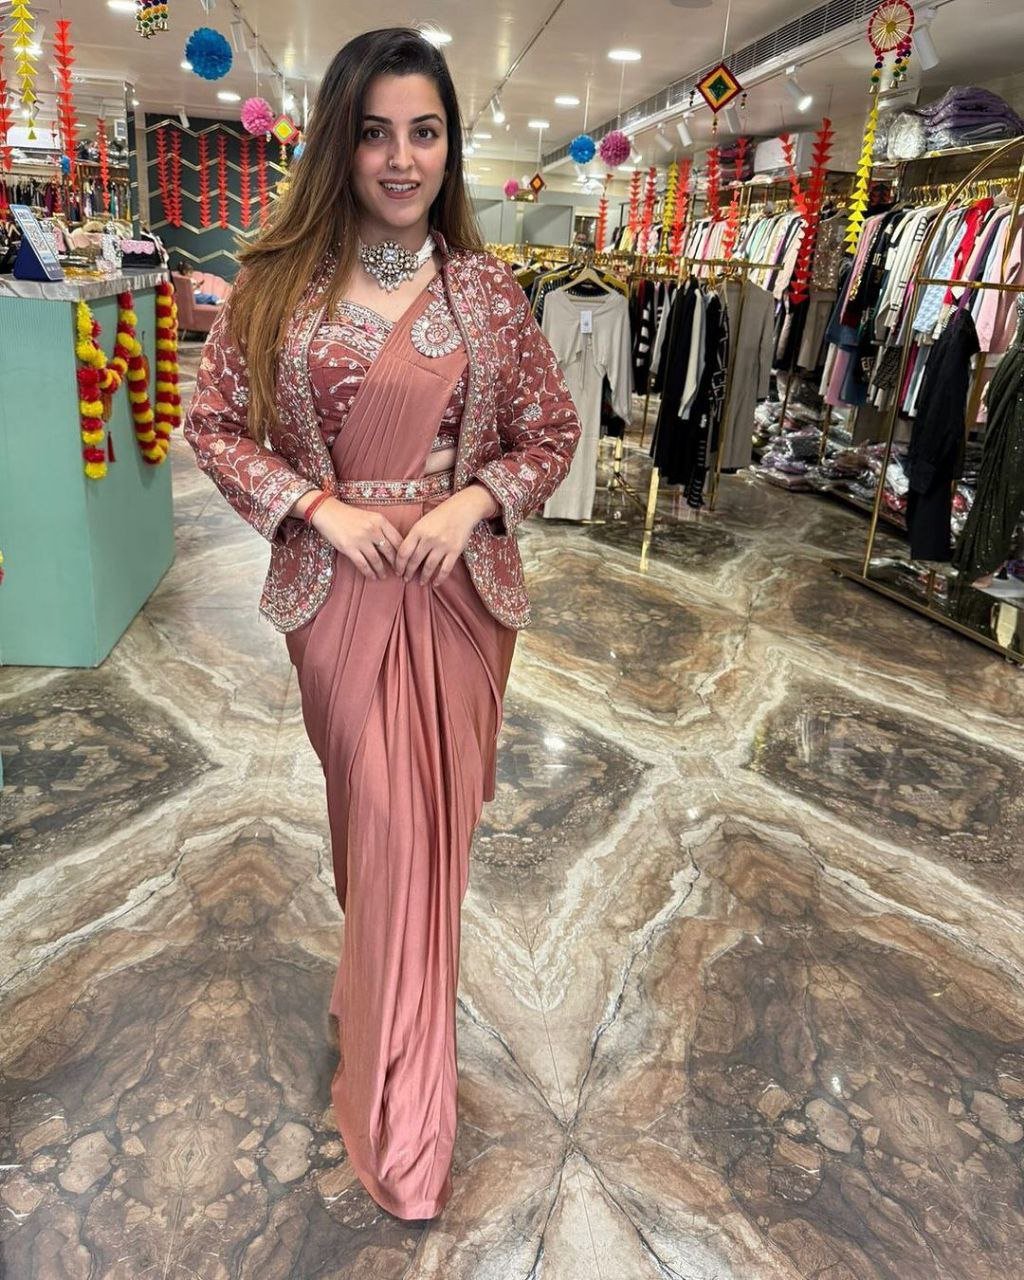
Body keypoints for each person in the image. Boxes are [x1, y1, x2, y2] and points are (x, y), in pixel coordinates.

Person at [183, 27, 581, 1221]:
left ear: (450, 147)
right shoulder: (278, 286)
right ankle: (378, 997)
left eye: (425, 131)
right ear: (338, 144)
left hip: (457, 600)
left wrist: (473, 499)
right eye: (375, 133)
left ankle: (407, 1110)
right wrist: (317, 506)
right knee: (375, 823)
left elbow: (550, 433)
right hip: (339, 597)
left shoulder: (486, 292)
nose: (401, 158)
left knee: (423, 838)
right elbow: (214, 425)